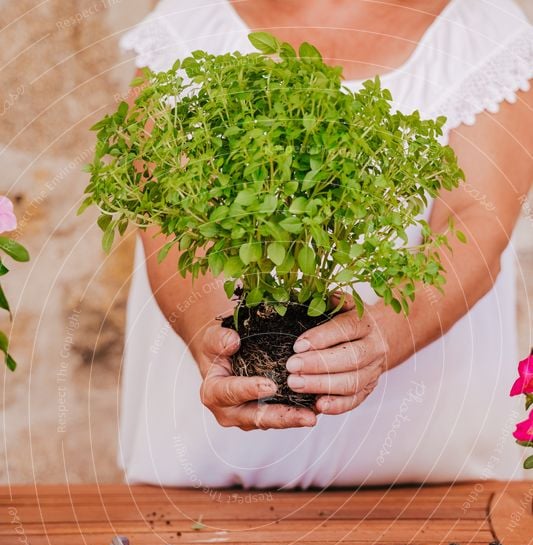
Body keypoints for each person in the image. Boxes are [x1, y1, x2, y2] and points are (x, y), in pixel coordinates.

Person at [118, 0, 533, 488]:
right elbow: (166, 219)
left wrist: (386, 333)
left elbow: (475, 219)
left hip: (431, 479)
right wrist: (214, 338)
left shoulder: (482, 31)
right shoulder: (188, 26)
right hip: (202, 481)